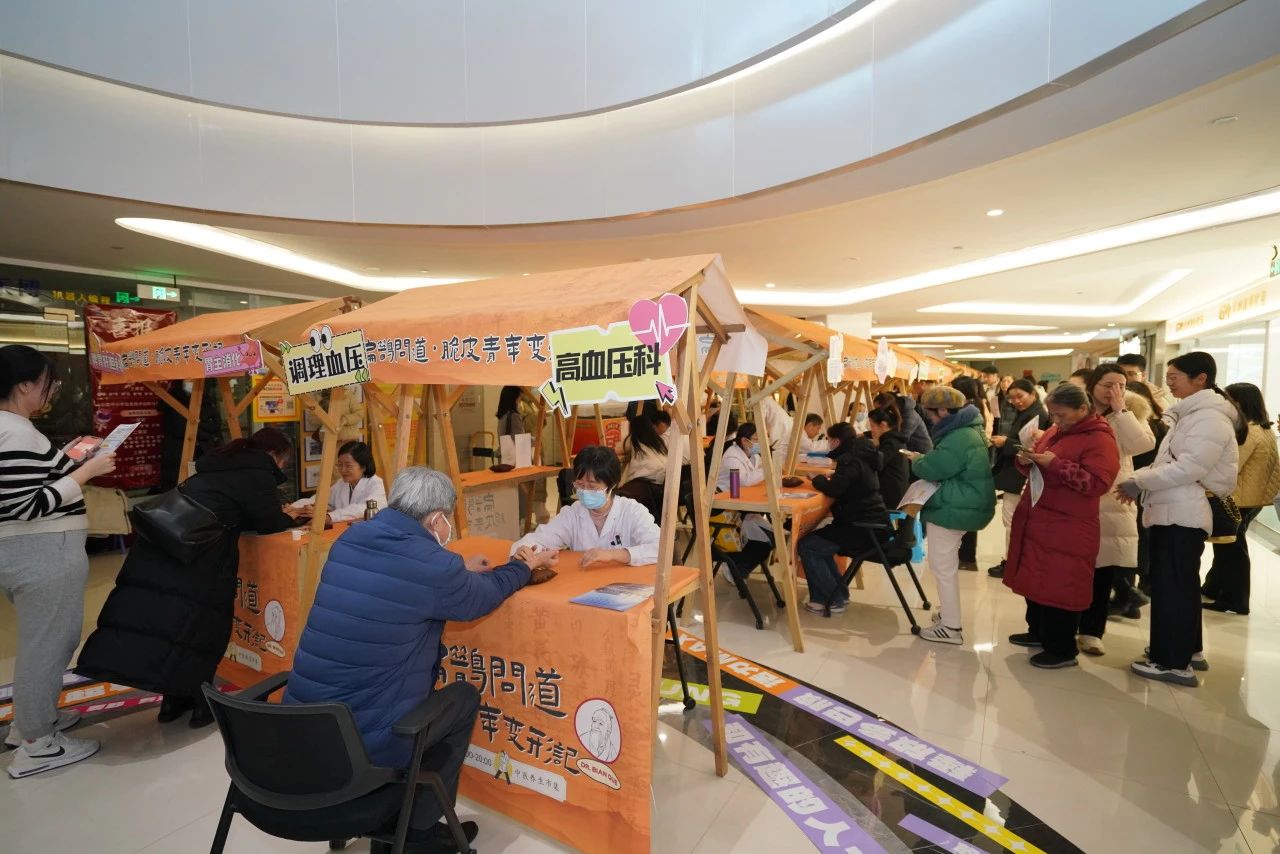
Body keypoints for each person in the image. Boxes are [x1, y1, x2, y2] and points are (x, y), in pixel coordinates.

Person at [284, 467, 558, 848]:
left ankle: (401, 813)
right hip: (364, 746)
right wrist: (523, 567)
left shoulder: (351, 539)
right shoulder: (434, 566)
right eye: (448, 519)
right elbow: (482, 597)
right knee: (462, 698)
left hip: (299, 732)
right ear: (436, 519)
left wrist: (457, 572)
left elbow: (396, 579)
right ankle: (418, 831)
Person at [75, 427, 297, 729]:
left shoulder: (221, 463)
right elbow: (270, 523)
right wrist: (294, 516)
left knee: (168, 624)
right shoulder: (257, 473)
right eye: (283, 461)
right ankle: (200, 703)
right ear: (274, 455)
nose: (282, 467)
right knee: (200, 629)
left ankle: (172, 700)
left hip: (166, 550)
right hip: (202, 560)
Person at [1, 345, 117, 778]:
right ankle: (36, 743)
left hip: (29, 552)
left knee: (43, 641)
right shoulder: (15, 432)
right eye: (48, 384)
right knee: (48, 645)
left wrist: (65, 462)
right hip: (41, 551)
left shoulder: (14, 430)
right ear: (25, 385)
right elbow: (25, 506)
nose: (50, 392)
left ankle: (34, 719)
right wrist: (86, 472)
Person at [1117, 352, 1242, 687]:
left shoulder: (1209, 419)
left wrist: (1139, 480)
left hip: (1182, 512)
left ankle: (1172, 662)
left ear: (1201, 379)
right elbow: (1169, 463)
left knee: (1173, 588)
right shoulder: (1193, 415)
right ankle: (1188, 650)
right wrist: (1139, 479)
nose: (1169, 382)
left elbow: (1189, 468)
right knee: (1179, 586)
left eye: (1175, 377)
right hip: (1174, 507)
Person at [1003, 383, 1119, 669]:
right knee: (1036, 578)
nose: (1055, 420)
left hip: (1069, 524)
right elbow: (1040, 463)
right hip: (1041, 517)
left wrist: (1055, 464)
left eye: (1061, 415)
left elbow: (1097, 483)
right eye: (1052, 414)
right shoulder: (1057, 431)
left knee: (1060, 584)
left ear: (1083, 409)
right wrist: (1025, 460)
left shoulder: (1099, 438)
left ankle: (1062, 648)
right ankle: (1038, 632)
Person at [1075, 365, 1153, 656]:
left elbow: (1143, 445)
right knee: (1074, 567)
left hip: (1112, 498)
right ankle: (1067, 622)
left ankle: (1092, 632)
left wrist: (1121, 412)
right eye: (1108, 385)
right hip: (1077, 492)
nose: (1114, 391)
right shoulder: (1079, 408)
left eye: (1121, 385)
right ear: (1093, 384)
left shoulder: (1131, 411)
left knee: (1103, 569)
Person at [907, 386, 995, 644]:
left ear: (944, 411)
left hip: (953, 506)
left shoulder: (959, 436)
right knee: (946, 565)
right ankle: (948, 615)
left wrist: (918, 460)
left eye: (931, 414)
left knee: (942, 567)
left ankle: (950, 627)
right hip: (964, 502)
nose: (930, 419)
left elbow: (935, 468)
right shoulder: (968, 429)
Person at [1201, 383, 1280, 615]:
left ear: (1241, 402)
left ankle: (1235, 600)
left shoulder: (1248, 432)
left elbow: (1231, 465)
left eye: (1229, 399)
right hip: (1252, 498)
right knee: (1228, 546)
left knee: (1231, 550)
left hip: (1238, 498)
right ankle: (1214, 588)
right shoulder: (1263, 429)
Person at [512, 446, 660, 566]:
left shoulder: (632, 511)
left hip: (627, 584)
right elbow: (541, 538)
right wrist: (524, 550)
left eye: (592, 487)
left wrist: (614, 554)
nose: (585, 491)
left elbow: (660, 548)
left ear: (612, 485)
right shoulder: (573, 513)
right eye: (580, 485)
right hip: (585, 583)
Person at [799, 423, 888, 615]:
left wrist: (817, 479)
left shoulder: (850, 461)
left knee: (809, 545)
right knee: (815, 542)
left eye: (829, 440)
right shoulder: (863, 455)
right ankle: (837, 593)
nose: (828, 444)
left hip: (861, 528)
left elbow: (834, 489)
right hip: (870, 522)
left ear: (837, 441)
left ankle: (829, 598)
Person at [987, 379, 1051, 579]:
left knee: (1012, 520)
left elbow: (1031, 446)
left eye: (1020, 396)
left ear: (1032, 394)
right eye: (1012, 398)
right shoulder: (1029, 413)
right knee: (1013, 520)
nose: (1016, 401)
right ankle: (1014, 561)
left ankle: (1011, 563)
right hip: (1017, 472)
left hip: (1020, 474)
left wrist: (1006, 441)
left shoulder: (1037, 415)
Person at [287, 440, 386, 523]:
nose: (342, 470)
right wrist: (293, 507)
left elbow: (361, 509)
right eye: (340, 464)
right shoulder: (341, 483)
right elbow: (319, 499)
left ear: (363, 466)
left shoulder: (376, 484)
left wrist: (329, 516)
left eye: (348, 466)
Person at [951, 376, 992, 571]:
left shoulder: (968, 411)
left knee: (966, 511)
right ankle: (966, 556)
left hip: (967, 464)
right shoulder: (978, 405)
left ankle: (966, 557)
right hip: (975, 462)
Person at [867, 406, 910, 509]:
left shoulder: (890, 443)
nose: (871, 430)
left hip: (891, 498)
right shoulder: (895, 440)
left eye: (872, 426)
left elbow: (876, 464)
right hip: (897, 493)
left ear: (883, 425)